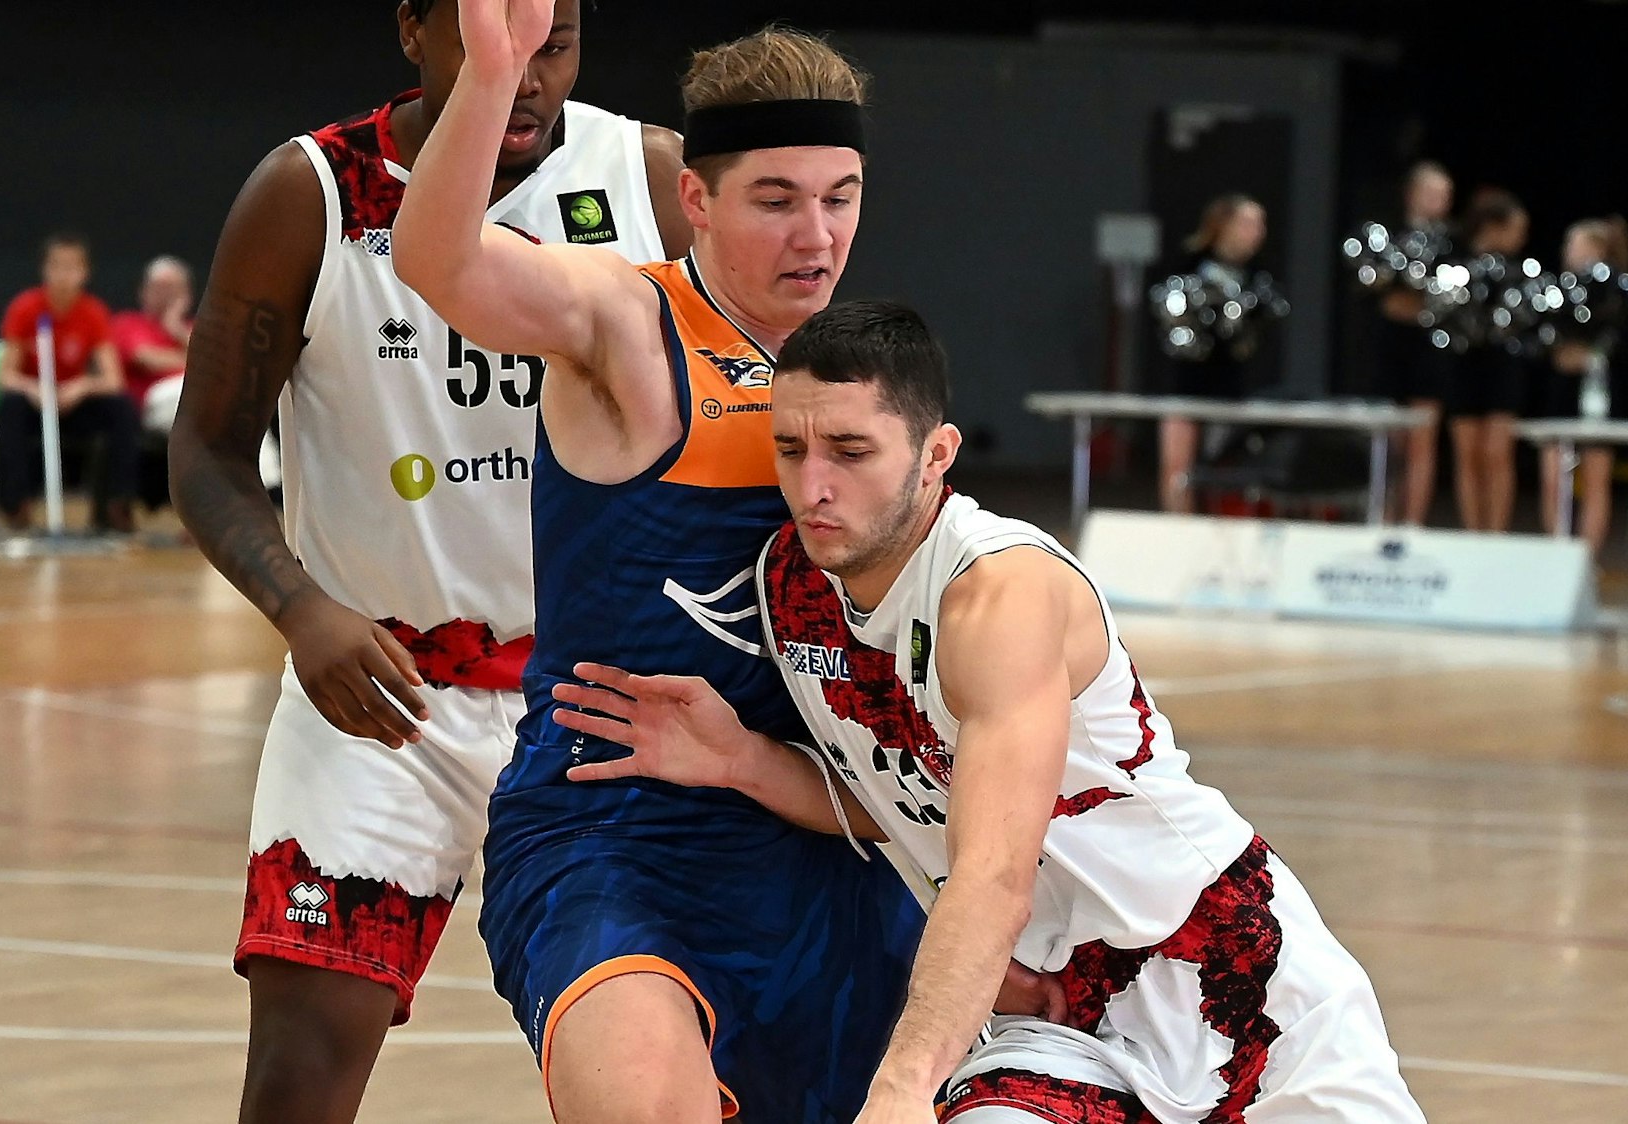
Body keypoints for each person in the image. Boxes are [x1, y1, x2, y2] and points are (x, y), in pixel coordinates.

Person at [556, 300, 1428, 1124]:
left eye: (851, 452)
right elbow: (907, 802)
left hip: (1230, 973)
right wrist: (741, 760)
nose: (812, 485)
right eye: (790, 449)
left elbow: (993, 874)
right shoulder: (789, 585)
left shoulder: (998, 593)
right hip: (1056, 1019)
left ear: (936, 455)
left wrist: (900, 1089)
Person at [390, 6, 921, 1122]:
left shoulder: (870, 379)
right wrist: (493, 73)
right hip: (609, 829)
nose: (814, 236)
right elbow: (435, 260)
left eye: (840, 197)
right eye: (775, 201)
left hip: (815, 831)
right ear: (697, 198)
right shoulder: (629, 322)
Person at [167, 1, 686, 1119]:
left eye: (557, 41)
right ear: (413, 29)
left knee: (654, 1075)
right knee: (299, 1074)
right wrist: (299, 606)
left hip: (595, 701)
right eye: (495, 36)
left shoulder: (648, 180)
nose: (528, 73)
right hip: (379, 695)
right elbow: (205, 448)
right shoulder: (308, 193)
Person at [0, 232, 139, 533]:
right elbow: (5, 376)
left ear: (85, 273)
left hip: (74, 404)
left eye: (72, 267)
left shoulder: (93, 312)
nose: (63, 275)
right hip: (35, 404)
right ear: (44, 270)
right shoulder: (25, 308)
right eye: (56, 266)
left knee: (122, 409)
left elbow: (113, 379)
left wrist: (83, 386)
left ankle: (117, 502)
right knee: (10, 405)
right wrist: (33, 389)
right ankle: (16, 503)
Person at [1155, 193, 1274, 514]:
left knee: (1227, 470)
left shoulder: (1259, 278)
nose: (1258, 232)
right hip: (1187, 383)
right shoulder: (1188, 268)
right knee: (1177, 469)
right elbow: (1172, 320)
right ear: (1224, 226)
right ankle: (1178, 536)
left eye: (1261, 224)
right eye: (1249, 223)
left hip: (1235, 389)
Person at [1534, 216, 1628, 552]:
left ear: (1596, 250)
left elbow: (1620, 340)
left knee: (1595, 479)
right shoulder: (1557, 292)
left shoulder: (1615, 289)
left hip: (1597, 388)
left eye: (1574, 244)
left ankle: (1586, 560)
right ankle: (1557, 553)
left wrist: (1589, 353)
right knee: (1553, 478)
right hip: (1560, 386)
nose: (1568, 251)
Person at [1374, 161, 1454, 525]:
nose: (1439, 201)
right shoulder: (1386, 239)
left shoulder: (1452, 245)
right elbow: (1381, 291)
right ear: (1411, 194)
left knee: (1424, 438)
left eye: (1445, 195)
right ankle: (1386, 519)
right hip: (1391, 344)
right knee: (1393, 442)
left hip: (1430, 345)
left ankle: (1413, 523)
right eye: (1432, 193)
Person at [1447, 189, 1529, 533]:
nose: (1521, 238)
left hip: (1503, 364)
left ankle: (1496, 533)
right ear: (1494, 227)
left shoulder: (1519, 274)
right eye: (1516, 229)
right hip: (1463, 362)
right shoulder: (1458, 267)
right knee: (1468, 454)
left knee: (1498, 454)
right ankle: (1473, 533)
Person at [111, 255, 195, 434]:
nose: (166, 295)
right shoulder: (129, 322)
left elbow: (219, 367)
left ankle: (263, 462)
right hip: (154, 403)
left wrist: (176, 329)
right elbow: (146, 359)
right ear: (144, 291)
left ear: (186, 294)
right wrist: (195, 363)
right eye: (160, 288)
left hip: (202, 400)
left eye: (173, 289)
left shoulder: (195, 329)